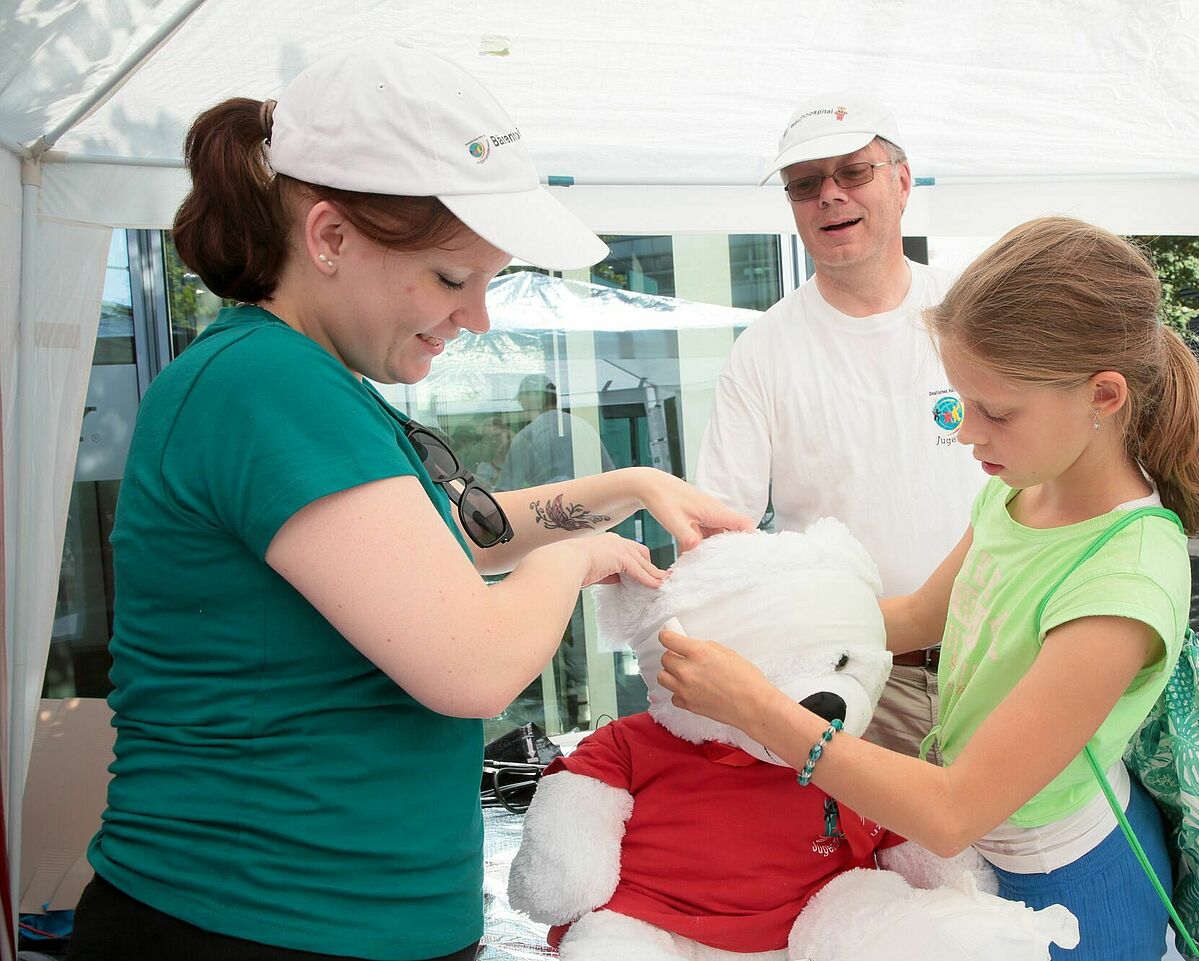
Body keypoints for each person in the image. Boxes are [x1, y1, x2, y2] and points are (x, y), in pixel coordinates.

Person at [66, 42, 750, 961]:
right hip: (253, 920)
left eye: (490, 281)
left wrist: (629, 489)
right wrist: (567, 560)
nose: (477, 318)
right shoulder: (266, 384)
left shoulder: (305, 378)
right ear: (330, 237)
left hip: (327, 919)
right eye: (449, 278)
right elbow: (469, 663)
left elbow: (447, 547)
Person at [659, 217, 1199, 960]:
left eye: (996, 411)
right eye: (961, 401)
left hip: (1074, 891)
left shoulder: (1125, 577)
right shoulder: (1019, 493)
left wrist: (758, 706)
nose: (967, 433)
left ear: (1103, 395)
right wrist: (758, 632)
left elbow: (953, 809)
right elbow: (912, 617)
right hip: (989, 863)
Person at [695, 91, 983, 764]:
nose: (829, 195)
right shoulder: (761, 351)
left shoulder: (975, 314)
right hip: (854, 684)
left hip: (1001, 660)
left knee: (1006, 865)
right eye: (804, 184)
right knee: (879, 869)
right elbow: (718, 536)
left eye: (853, 172)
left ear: (903, 182)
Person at [497, 373, 615, 490]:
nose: (521, 406)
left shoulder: (525, 437)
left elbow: (505, 491)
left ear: (528, 400)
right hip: (590, 504)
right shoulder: (582, 426)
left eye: (520, 401)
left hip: (547, 505)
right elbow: (610, 478)